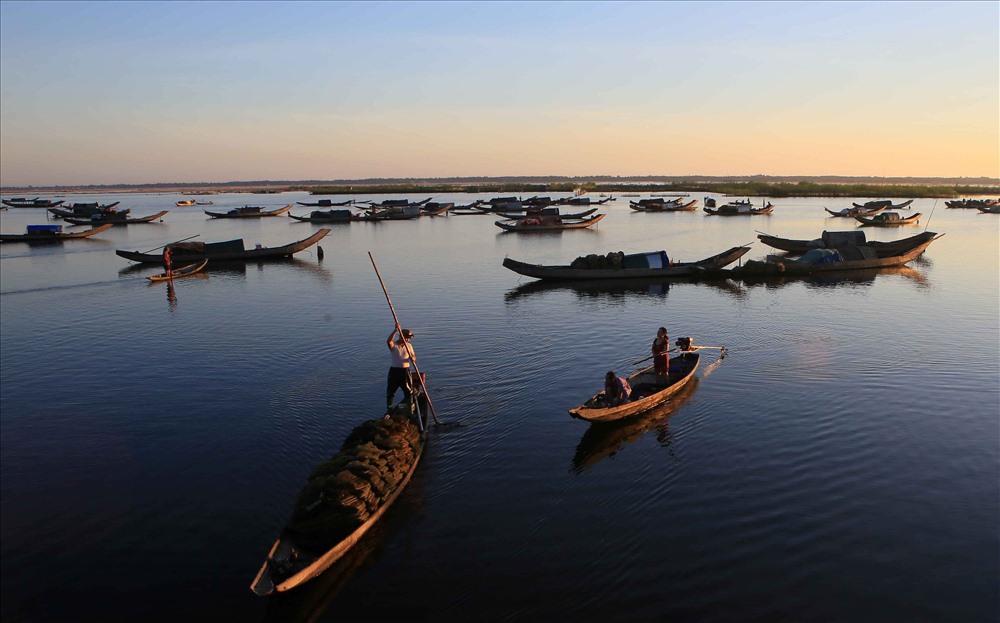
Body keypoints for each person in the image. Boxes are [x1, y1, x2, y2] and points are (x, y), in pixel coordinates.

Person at [386, 327, 416, 414]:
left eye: (408, 338)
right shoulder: (394, 346)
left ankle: (410, 411)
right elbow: (389, 341)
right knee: (391, 391)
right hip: (394, 371)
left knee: (408, 391)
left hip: (405, 371)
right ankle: (389, 409)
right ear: (401, 337)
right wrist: (395, 330)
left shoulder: (409, 346)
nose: (407, 340)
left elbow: (414, 356)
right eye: (406, 338)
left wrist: (413, 358)